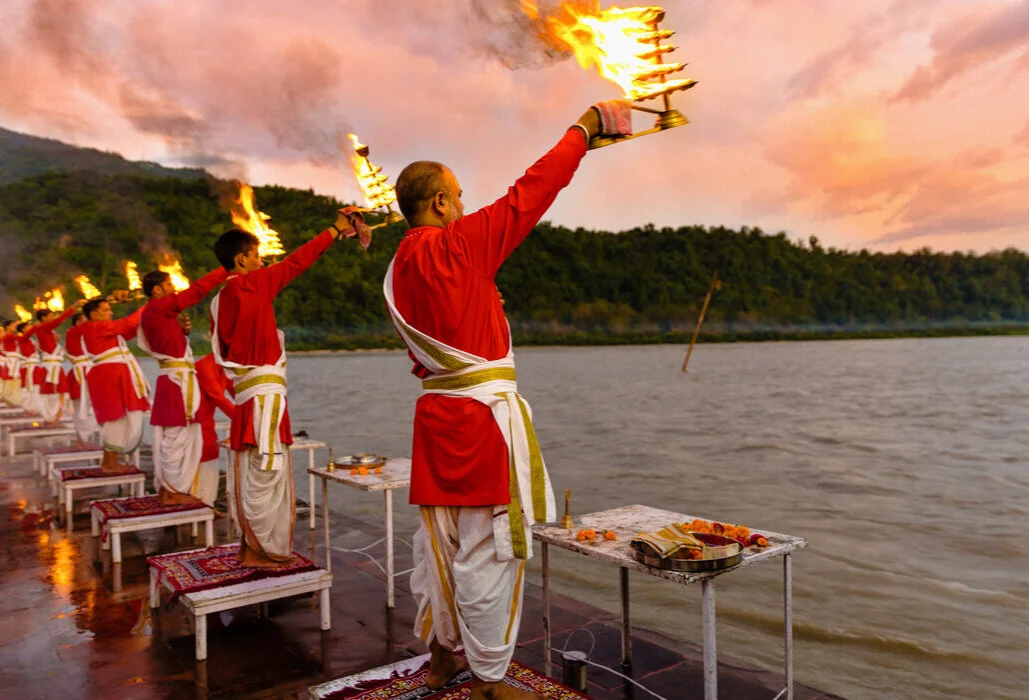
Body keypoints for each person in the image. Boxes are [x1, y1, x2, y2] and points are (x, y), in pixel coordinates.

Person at [384, 102, 630, 699]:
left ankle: (443, 658)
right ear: (440, 203)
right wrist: (584, 128)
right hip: (481, 426)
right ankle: (490, 682)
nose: (466, 206)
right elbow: (533, 190)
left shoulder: (395, 269)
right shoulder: (459, 246)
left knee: (439, 548)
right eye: (459, 196)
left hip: (435, 421)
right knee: (491, 552)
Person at [210, 208, 368, 567]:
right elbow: (299, 261)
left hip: (251, 398)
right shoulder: (251, 284)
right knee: (267, 472)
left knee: (254, 473)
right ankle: (261, 552)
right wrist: (334, 229)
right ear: (242, 259)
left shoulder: (219, 299)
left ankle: (252, 547)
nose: (261, 259)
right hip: (263, 400)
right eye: (256, 255)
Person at [138, 266, 228, 505]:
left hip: (174, 381)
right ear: (157, 290)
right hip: (176, 383)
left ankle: (171, 490)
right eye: (169, 285)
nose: (173, 290)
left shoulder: (155, 311)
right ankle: (172, 491)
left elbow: (169, 343)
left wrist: (180, 330)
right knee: (175, 439)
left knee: (176, 438)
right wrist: (225, 270)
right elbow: (196, 291)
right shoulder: (157, 307)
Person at [81, 296, 149, 472]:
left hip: (111, 375)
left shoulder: (104, 329)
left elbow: (129, 330)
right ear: (94, 314)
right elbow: (126, 323)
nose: (110, 312)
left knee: (118, 417)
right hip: (107, 376)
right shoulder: (95, 326)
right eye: (106, 310)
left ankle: (110, 461)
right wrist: (149, 305)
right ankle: (109, 463)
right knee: (114, 417)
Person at [28, 302, 82, 424]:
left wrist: (56, 340)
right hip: (50, 367)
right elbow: (58, 321)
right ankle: (50, 417)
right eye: (50, 316)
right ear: (43, 318)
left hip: (56, 366)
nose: (53, 318)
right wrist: (72, 308)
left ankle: (56, 417)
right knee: (50, 393)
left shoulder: (47, 331)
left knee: (60, 391)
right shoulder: (43, 327)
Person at [194, 352, 235, 508]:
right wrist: (243, 421)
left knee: (212, 454)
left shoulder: (226, 366)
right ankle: (197, 505)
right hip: (193, 422)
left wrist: (256, 416)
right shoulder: (205, 365)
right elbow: (219, 398)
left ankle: (207, 504)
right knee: (202, 455)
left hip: (207, 421)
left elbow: (238, 393)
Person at [64, 312, 98, 443]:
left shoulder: (83, 334)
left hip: (87, 371)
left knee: (89, 405)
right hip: (81, 373)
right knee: (82, 406)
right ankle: (82, 438)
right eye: (86, 319)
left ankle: (83, 437)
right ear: (77, 322)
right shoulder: (73, 332)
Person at [15, 321, 40, 413]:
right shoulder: (21, 338)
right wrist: (35, 326)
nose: (30, 328)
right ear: (23, 329)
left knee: (36, 386)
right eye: (28, 326)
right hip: (27, 367)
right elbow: (27, 334)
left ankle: (35, 407)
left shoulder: (31, 340)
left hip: (35, 366)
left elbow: (38, 350)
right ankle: (27, 407)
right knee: (27, 388)